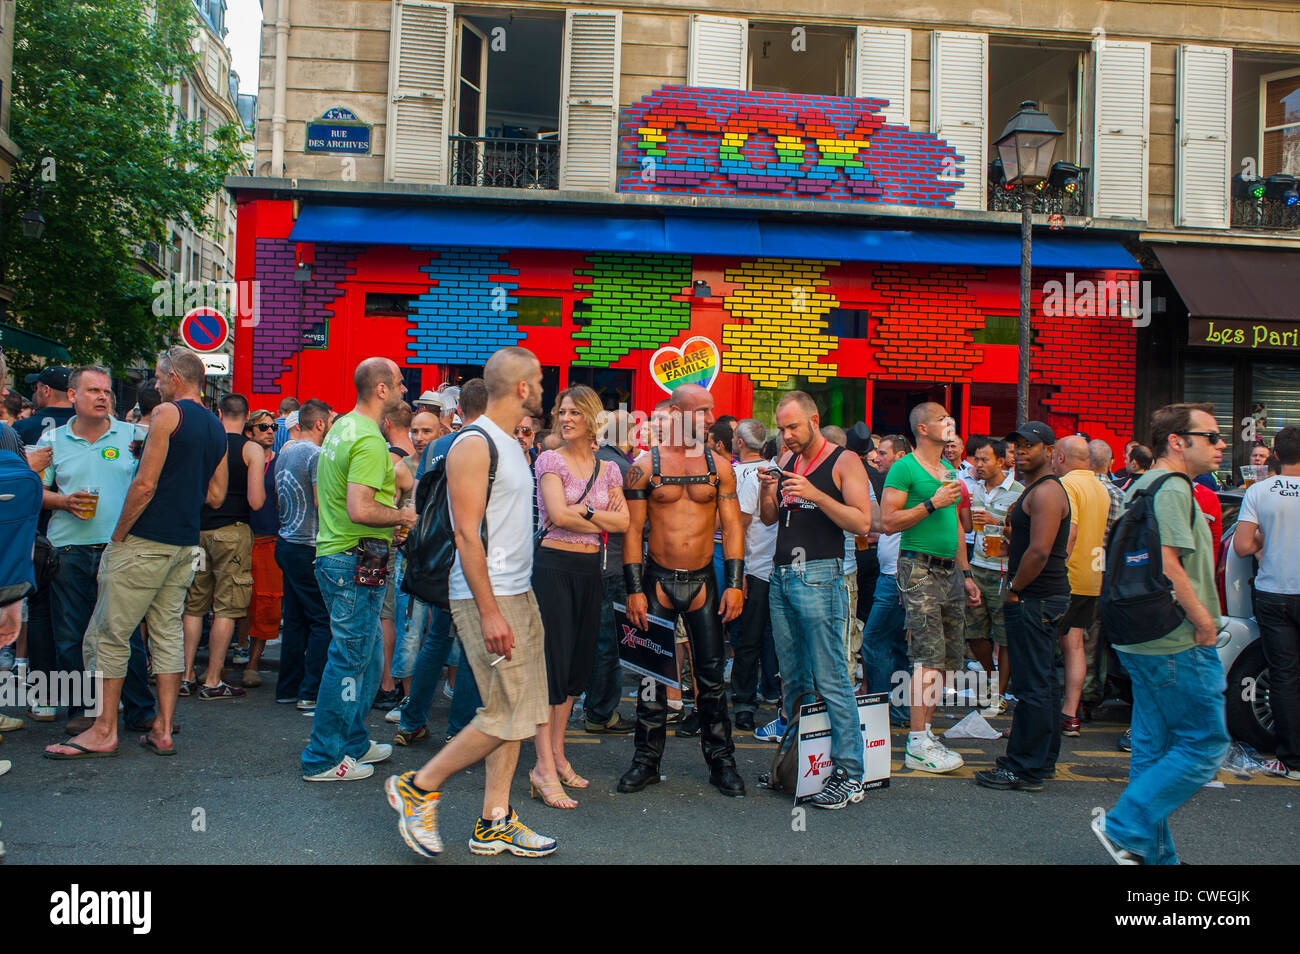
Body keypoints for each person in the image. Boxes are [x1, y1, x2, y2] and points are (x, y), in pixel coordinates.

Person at [385, 347, 557, 858]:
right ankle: (418, 787)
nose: (545, 389)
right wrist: (487, 611)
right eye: (541, 380)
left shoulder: (510, 442)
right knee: (507, 712)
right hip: (488, 594)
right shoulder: (473, 445)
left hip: (516, 591)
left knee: (518, 712)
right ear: (522, 387)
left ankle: (494, 821)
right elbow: (465, 535)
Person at [44, 347, 226, 759]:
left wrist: (119, 536)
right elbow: (215, 494)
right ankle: (162, 729)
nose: (156, 387)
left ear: (174, 379)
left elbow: (143, 485)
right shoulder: (215, 426)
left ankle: (104, 730)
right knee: (165, 634)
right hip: (183, 544)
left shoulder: (166, 415)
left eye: (160, 380)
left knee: (109, 635)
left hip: (144, 542)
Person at [1093, 404, 1229, 865]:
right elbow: (1170, 566)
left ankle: (1152, 854)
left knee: (1153, 747)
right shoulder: (1172, 489)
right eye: (1210, 436)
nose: (1221, 444)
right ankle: (1123, 826)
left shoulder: (1142, 485)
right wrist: (1205, 623)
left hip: (1139, 634)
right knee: (1205, 742)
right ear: (1177, 440)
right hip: (1175, 639)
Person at [618, 383, 746, 798]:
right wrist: (634, 589)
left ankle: (722, 763)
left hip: (704, 580)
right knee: (652, 679)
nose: (710, 418)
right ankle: (646, 762)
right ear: (676, 412)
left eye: (711, 410)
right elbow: (633, 531)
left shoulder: (720, 465)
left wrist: (736, 584)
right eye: (701, 411)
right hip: (657, 579)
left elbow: (733, 529)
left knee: (710, 679)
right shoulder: (644, 464)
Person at [300, 358, 416, 781]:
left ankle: (352, 742)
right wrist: (404, 518)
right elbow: (361, 507)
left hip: (347, 555)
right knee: (349, 657)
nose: (406, 389)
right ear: (382, 389)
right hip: (351, 557)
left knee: (366, 656)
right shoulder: (366, 438)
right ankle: (323, 757)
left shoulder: (344, 427)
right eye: (400, 383)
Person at [758, 393, 872, 808]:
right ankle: (796, 766)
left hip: (822, 576)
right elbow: (771, 519)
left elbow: (863, 522)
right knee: (793, 680)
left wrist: (817, 493)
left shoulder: (844, 461)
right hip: (783, 575)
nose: (786, 436)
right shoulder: (787, 461)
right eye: (781, 429)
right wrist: (769, 490)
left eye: (792, 427)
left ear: (814, 420)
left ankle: (851, 775)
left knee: (832, 679)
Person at [36, 366, 159, 736]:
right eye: (93, 390)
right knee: (72, 634)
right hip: (68, 549)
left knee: (124, 633)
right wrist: (62, 500)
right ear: (72, 396)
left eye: (106, 391)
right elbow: (34, 491)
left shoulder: (135, 436)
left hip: (119, 548)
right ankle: (83, 710)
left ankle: (140, 709)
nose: (103, 396)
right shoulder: (52, 440)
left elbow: (150, 484)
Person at [528, 386, 628, 808]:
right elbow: (558, 514)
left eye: (573, 412)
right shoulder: (549, 459)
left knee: (575, 669)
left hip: (590, 571)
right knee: (551, 667)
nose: (564, 418)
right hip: (553, 569)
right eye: (561, 412)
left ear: (591, 419)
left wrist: (586, 514)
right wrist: (595, 516)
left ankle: (558, 754)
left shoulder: (609, 470)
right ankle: (542, 768)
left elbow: (623, 523)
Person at [880, 402, 980, 774]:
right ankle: (918, 741)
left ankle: (926, 735)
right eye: (942, 419)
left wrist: (967, 574)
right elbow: (888, 522)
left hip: (949, 570)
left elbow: (954, 525)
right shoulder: (904, 467)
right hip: (917, 567)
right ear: (923, 429)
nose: (948, 423)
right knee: (926, 655)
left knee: (948, 659)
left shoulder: (950, 468)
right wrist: (931, 502)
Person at [974, 422, 1071, 792]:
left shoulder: (1046, 492)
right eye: (1016, 446)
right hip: (1041, 597)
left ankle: (1024, 767)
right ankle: (1040, 762)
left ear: (1050, 451)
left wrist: (1014, 590)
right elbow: (1029, 538)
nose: (1020, 452)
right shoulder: (1037, 491)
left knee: (1031, 686)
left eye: (1029, 445)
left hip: (1035, 598)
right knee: (1042, 683)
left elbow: (1040, 551)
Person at [394, 380, 487, 747]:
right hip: (470, 553)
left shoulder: (437, 446)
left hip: (436, 558)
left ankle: (411, 720)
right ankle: (459, 729)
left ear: (458, 410)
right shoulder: (485, 446)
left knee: (436, 638)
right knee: (469, 641)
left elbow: (416, 506)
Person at [180, 394, 266, 700]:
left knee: (194, 605)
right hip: (232, 534)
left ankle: (186, 675)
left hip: (198, 532)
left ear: (218, 413)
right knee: (227, 608)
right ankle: (213, 680)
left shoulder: (205, 444)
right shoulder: (251, 449)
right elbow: (256, 502)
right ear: (246, 418)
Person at [1232, 425, 1300, 779]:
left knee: (1285, 676)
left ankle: (1292, 761)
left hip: (1275, 592)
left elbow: (1242, 547)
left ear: (1275, 454)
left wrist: (1265, 535)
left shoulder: (1260, 491)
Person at [273, 398, 334, 710]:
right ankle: (310, 692)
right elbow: (321, 503)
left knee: (295, 619)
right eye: (331, 422)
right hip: (307, 545)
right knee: (322, 620)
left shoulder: (286, 451)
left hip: (285, 542)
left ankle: (288, 688)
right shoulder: (316, 454)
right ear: (320, 424)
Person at [583, 408, 638, 735]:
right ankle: (601, 712)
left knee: (592, 639)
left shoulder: (589, 460)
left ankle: (590, 703)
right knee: (610, 642)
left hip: (585, 560)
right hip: (613, 562)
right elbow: (635, 524)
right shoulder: (622, 468)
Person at [1054, 435, 1109, 737]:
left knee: (1045, 646)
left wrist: (1054, 569)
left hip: (1067, 577)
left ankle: (1044, 714)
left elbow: (1069, 533)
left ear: (1060, 457)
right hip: (1092, 577)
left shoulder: (1067, 485)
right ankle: (1070, 715)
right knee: (1075, 645)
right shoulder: (1100, 487)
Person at [964, 437, 1023, 715]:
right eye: (976, 459)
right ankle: (990, 677)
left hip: (1002, 570)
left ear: (1001, 461)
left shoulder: (1018, 492)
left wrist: (997, 522)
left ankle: (998, 693)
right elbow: (967, 526)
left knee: (1005, 635)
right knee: (974, 632)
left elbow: (1025, 532)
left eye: (984, 459)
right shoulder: (973, 488)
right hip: (976, 566)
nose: (979, 464)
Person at [730, 418, 781, 732]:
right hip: (768, 569)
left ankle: (746, 702)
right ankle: (756, 699)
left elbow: (740, 525)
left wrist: (739, 572)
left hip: (759, 568)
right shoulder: (771, 471)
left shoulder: (754, 475)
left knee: (750, 640)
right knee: (767, 640)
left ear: (739, 442)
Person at [375, 401, 417, 711]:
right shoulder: (404, 464)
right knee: (399, 621)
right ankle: (397, 689)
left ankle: (390, 685)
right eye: (417, 430)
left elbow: (386, 510)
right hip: (404, 553)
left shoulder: (394, 463)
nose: (420, 436)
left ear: (387, 423)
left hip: (403, 553)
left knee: (391, 618)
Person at [1082, 439, 1127, 717]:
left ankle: (1075, 694)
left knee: (1073, 637)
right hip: (1104, 572)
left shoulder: (1075, 491)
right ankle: (1088, 693)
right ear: (1110, 463)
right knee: (1093, 639)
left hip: (1074, 571)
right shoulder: (1119, 495)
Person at [241, 407, 282, 687]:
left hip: (270, 536)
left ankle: (253, 662)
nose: (269, 432)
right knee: (237, 600)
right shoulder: (240, 458)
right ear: (249, 433)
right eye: (263, 427)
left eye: (273, 428)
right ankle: (236, 650)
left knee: (265, 602)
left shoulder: (279, 462)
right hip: (242, 534)